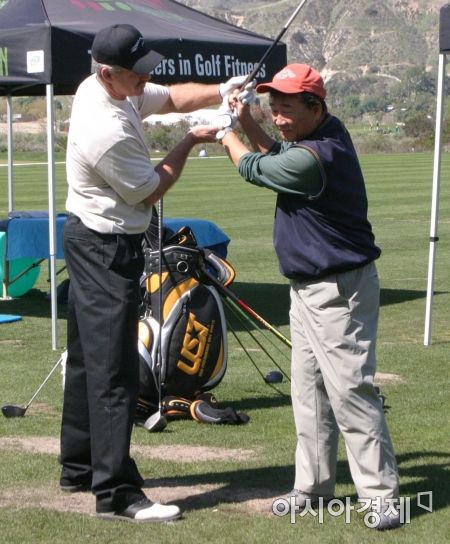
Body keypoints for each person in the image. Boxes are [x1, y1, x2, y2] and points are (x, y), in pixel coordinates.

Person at [59, 23, 248, 523]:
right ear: (108, 73)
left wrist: (222, 89)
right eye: (136, 73)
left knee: (86, 359)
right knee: (113, 369)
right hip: (104, 247)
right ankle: (116, 494)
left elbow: (172, 97)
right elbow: (149, 191)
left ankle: (79, 467)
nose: (145, 79)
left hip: (90, 239)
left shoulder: (106, 87)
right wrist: (191, 141)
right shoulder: (107, 128)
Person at [217, 63, 401, 531]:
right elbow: (277, 153)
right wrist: (247, 120)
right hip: (308, 288)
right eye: (272, 108)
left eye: (286, 109)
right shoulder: (318, 135)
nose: (278, 117)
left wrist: (224, 133)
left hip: (338, 289)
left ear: (315, 107)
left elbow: (257, 168)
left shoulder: (318, 155)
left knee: (350, 391)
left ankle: (381, 497)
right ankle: (313, 487)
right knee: (308, 392)